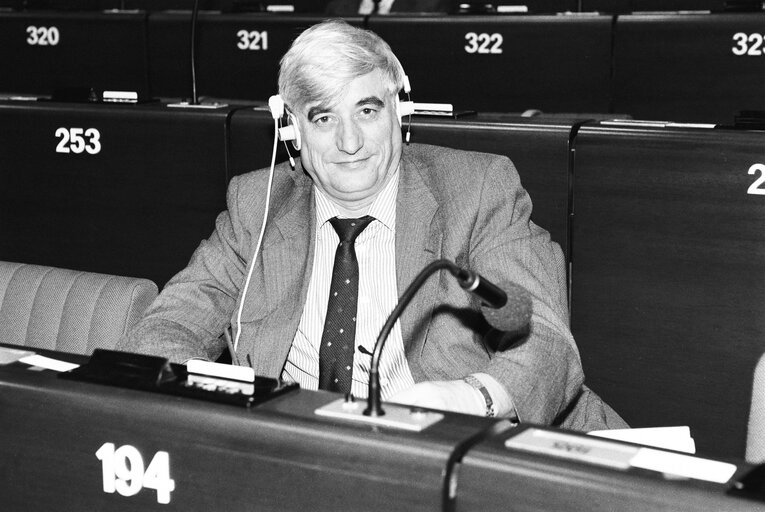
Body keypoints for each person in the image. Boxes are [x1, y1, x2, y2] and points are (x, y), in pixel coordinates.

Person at [118, 19, 626, 430]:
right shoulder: (257, 204)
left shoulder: (477, 189)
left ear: (399, 110)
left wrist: (471, 398)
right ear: (290, 128)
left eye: (366, 109)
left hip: (476, 446)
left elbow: (546, 341)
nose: (350, 141)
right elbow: (170, 324)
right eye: (322, 118)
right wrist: (212, 405)